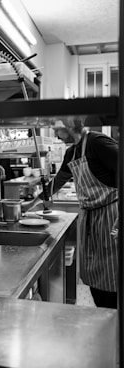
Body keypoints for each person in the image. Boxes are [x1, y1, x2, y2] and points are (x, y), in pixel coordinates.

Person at [23, 118, 119, 309]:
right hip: (91, 220)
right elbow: (58, 181)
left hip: (111, 217)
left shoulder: (97, 143)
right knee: (95, 276)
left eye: (56, 127)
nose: (54, 131)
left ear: (67, 126)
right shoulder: (72, 152)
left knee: (112, 277)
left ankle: (113, 320)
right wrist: (30, 204)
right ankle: (105, 314)